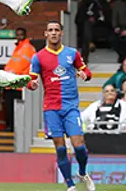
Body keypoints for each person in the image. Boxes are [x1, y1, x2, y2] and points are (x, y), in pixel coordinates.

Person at [27, 21, 94, 191]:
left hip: (71, 106)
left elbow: (87, 72)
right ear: (46, 34)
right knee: (61, 148)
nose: (54, 33)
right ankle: (70, 185)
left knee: (79, 145)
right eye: (50, 30)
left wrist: (84, 75)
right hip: (51, 108)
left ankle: (82, 172)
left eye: (57, 30)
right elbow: (31, 79)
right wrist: (32, 84)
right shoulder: (38, 57)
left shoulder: (72, 53)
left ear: (61, 33)